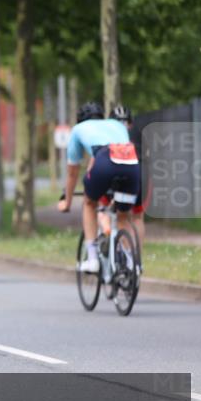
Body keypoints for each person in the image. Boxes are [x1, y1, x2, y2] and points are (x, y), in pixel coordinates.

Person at [57, 101, 141, 273]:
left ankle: (93, 260)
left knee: (89, 202)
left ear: (79, 120)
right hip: (131, 161)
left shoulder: (78, 130)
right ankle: (130, 263)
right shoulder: (116, 125)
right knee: (123, 216)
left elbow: (73, 173)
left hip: (105, 160)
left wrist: (67, 201)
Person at [108, 104, 147, 246]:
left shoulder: (109, 134)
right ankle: (137, 261)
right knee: (138, 217)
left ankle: (126, 258)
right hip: (141, 173)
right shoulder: (138, 132)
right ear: (130, 122)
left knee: (122, 217)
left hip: (119, 175)